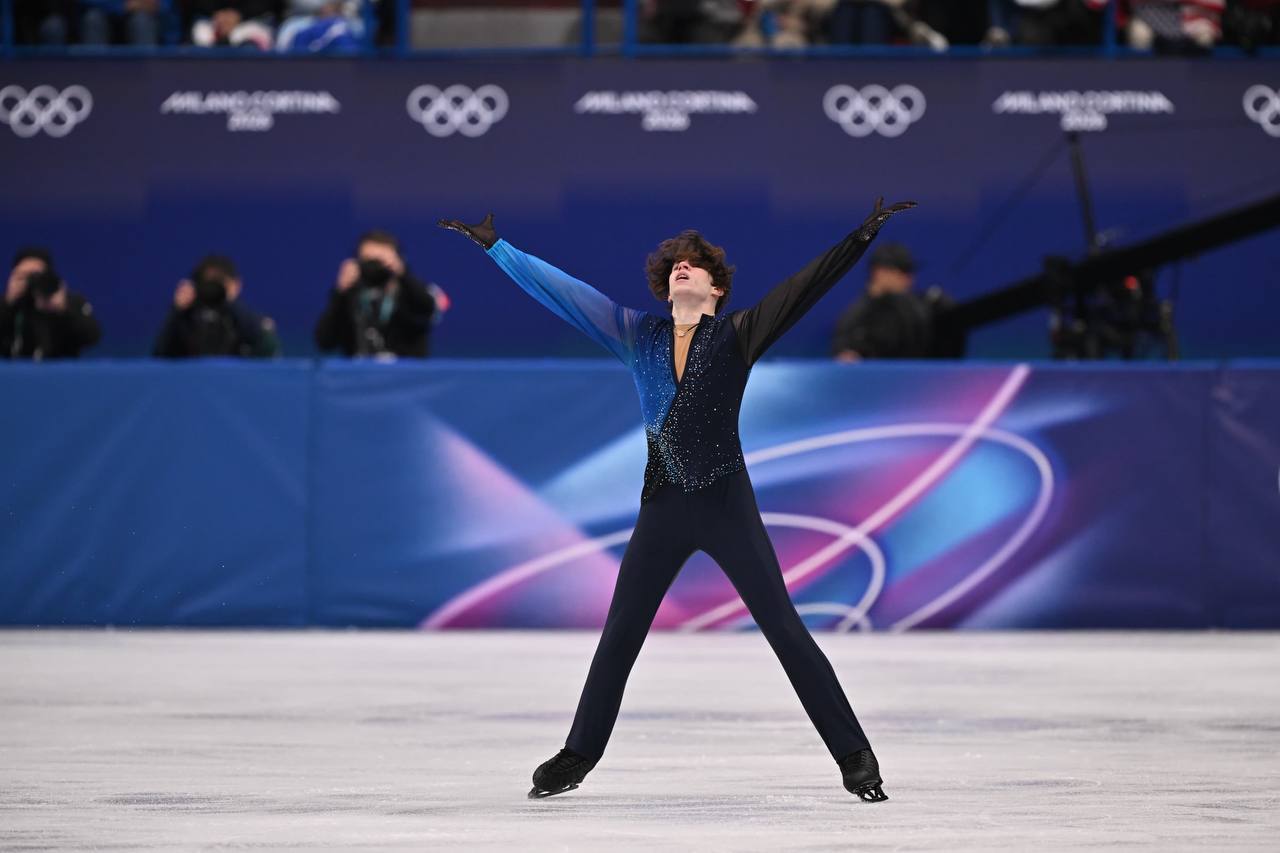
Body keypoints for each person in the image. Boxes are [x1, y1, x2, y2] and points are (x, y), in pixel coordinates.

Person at [439, 197, 916, 803]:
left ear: (717, 288)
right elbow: (566, 294)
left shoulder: (739, 334)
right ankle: (579, 752)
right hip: (662, 507)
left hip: (726, 505)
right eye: (673, 267)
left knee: (784, 629)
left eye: (695, 265)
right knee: (620, 635)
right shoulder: (637, 334)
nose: (681, 268)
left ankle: (856, 758)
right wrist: (497, 248)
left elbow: (804, 288)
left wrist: (859, 238)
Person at [314, 230, 440, 359]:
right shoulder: (350, 295)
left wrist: (404, 276)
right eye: (369, 261)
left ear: (398, 261)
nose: (375, 268)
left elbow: (427, 311)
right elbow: (324, 341)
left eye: (380, 262)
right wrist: (340, 292)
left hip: (407, 371)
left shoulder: (410, 292)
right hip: (360, 371)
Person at [830, 242, 949, 361]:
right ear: (879, 273)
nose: (909, 279)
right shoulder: (860, 315)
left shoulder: (921, 305)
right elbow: (844, 351)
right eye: (902, 271)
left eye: (909, 272)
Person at [153, 254, 280, 358]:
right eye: (207, 283)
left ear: (237, 284)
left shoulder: (248, 320)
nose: (213, 289)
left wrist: (228, 303)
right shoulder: (186, 320)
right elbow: (160, 356)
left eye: (219, 282)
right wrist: (176, 311)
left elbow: (268, 351)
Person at [1, 247, 101, 360]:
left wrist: (63, 309)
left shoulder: (71, 303)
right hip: (12, 369)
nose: (31, 281)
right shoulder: (8, 304)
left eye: (36, 275)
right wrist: (8, 303)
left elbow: (92, 337)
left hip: (59, 368)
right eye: (24, 276)